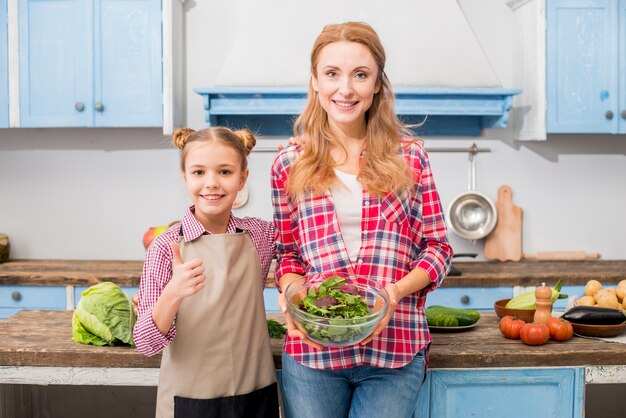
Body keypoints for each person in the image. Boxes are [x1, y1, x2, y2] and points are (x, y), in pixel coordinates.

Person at [270, 22, 453, 418]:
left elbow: (438, 250)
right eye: (332, 74)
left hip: (395, 349)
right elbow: (287, 256)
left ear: (376, 85)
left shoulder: (411, 159)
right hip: (313, 351)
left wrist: (393, 294)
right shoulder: (288, 163)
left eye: (360, 75)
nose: (346, 89)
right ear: (316, 82)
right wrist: (292, 293)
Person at [134, 127, 278, 418]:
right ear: (185, 177)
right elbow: (146, 343)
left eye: (225, 172)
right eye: (199, 172)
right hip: (191, 400)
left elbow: (308, 234)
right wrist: (173, 294)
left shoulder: (261, 235)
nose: (211, 183)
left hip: (254, 394)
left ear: (243, 178)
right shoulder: (165, 247)